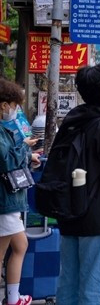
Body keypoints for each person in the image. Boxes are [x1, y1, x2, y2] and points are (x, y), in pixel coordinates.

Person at [54, 64, 100, 304]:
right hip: (98, 217)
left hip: (68, 213)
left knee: (68, 284)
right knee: (94, 288)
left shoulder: (69, 122)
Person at [0, 80, 33, 305]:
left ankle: (13, 297)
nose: (15, 111)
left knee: (20, 245)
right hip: (4, 200)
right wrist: (25, 148)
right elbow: (7, 160)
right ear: (4, 106)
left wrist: (29, 156)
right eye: (13, 105)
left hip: (9, 200)